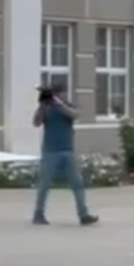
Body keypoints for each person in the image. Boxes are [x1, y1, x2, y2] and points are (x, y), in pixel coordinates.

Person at [32, 81, 99, 226]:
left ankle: (83, 214)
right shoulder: (46, 108)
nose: (58, 95)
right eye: (56, 93)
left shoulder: (68, 106)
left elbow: (75, 115)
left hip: (67, 150)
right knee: (44, 183)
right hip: (50, 151)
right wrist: (43, 105)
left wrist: (59, 104)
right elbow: (36, 122)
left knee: (77, 183)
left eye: (59, 92)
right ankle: (38, 214)